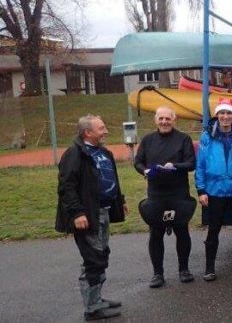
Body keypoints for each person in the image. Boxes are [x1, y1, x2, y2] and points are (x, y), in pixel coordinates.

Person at [56, 115, 128, 321]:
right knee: (92, 259)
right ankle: (91, 308)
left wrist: (120, 199)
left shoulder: (104, 152)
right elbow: (66, 187)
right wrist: (77, 213)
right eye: (101, 128)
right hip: (88, 215)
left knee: (101, 254)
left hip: (104, 210)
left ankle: (97, 299)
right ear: (87, 132)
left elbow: (111, 177)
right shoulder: (75, 154)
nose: (105, 131)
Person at [134, 106, 196, 288]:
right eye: (161, 118)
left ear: (174, 120)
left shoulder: (183, 139)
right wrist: (144, 170)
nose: (164, 122)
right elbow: (137, 162)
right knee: (156, 233)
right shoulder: (147, 140)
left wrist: (175, 166)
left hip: (178, 193)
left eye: (168, 118)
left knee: (182, 231)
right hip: (156, 193)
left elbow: (191, 163)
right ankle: (157, 273)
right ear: (155, 120)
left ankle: (184, 270)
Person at [195, 98, 232, 281]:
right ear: (217, 115)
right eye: (222, 113)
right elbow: (201, 164)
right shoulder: (207, 136)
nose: (225, 117)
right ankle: (210, 268)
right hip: (215, 189)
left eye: (228, 113)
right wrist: (201, 189)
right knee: (213, 229)